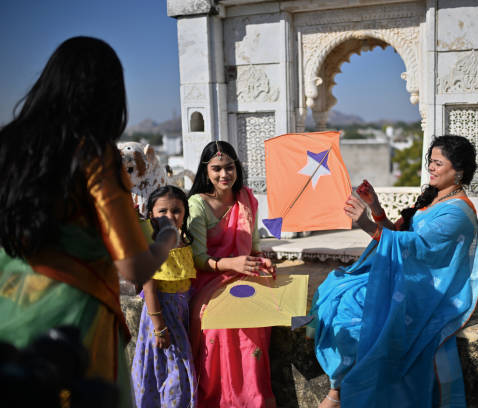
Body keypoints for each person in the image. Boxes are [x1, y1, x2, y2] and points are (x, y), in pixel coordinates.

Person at [0, 36, 177, 407]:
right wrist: (166, 238)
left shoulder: (7, 146)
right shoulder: (92, 154)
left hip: (7, 309)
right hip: (71, 318)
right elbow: (134, 266)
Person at [310, 135, 478, 408]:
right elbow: (398, 235)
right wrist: (375, 207)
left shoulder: (457, 213)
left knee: (355, 314)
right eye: (430, 162)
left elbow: (414, 248)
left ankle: (339, 392)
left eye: (438, 163)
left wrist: (365, 224)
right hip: (409, 277)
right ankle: (339, 386)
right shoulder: (435, 199)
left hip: (429, 290)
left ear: (458, 170)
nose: (431, 169)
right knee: (338, 289)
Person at [187, 140, 277, 407]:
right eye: (217, 168)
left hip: (244, 273)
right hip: (210, 278)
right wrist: (232, 264)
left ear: (237, 168)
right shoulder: (198, 205)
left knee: (260, 310)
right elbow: (198, 258)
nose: (224, 174)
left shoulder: (246, 198)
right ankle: (222, 399)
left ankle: (254, 398)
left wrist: (263, 262)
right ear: (206, 170)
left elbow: (255, 247)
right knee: (223, 320)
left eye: (229, 168)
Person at [131, 186, 198, 407]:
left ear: (185, 214)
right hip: (161, 317)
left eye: (176, 211)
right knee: (171, 374)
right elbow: (149, 289)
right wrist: (159, 327)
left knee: (178, 369)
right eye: (163, 212)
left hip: (181, 316)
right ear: (151, 214)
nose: (170, 217)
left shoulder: (184, 243)